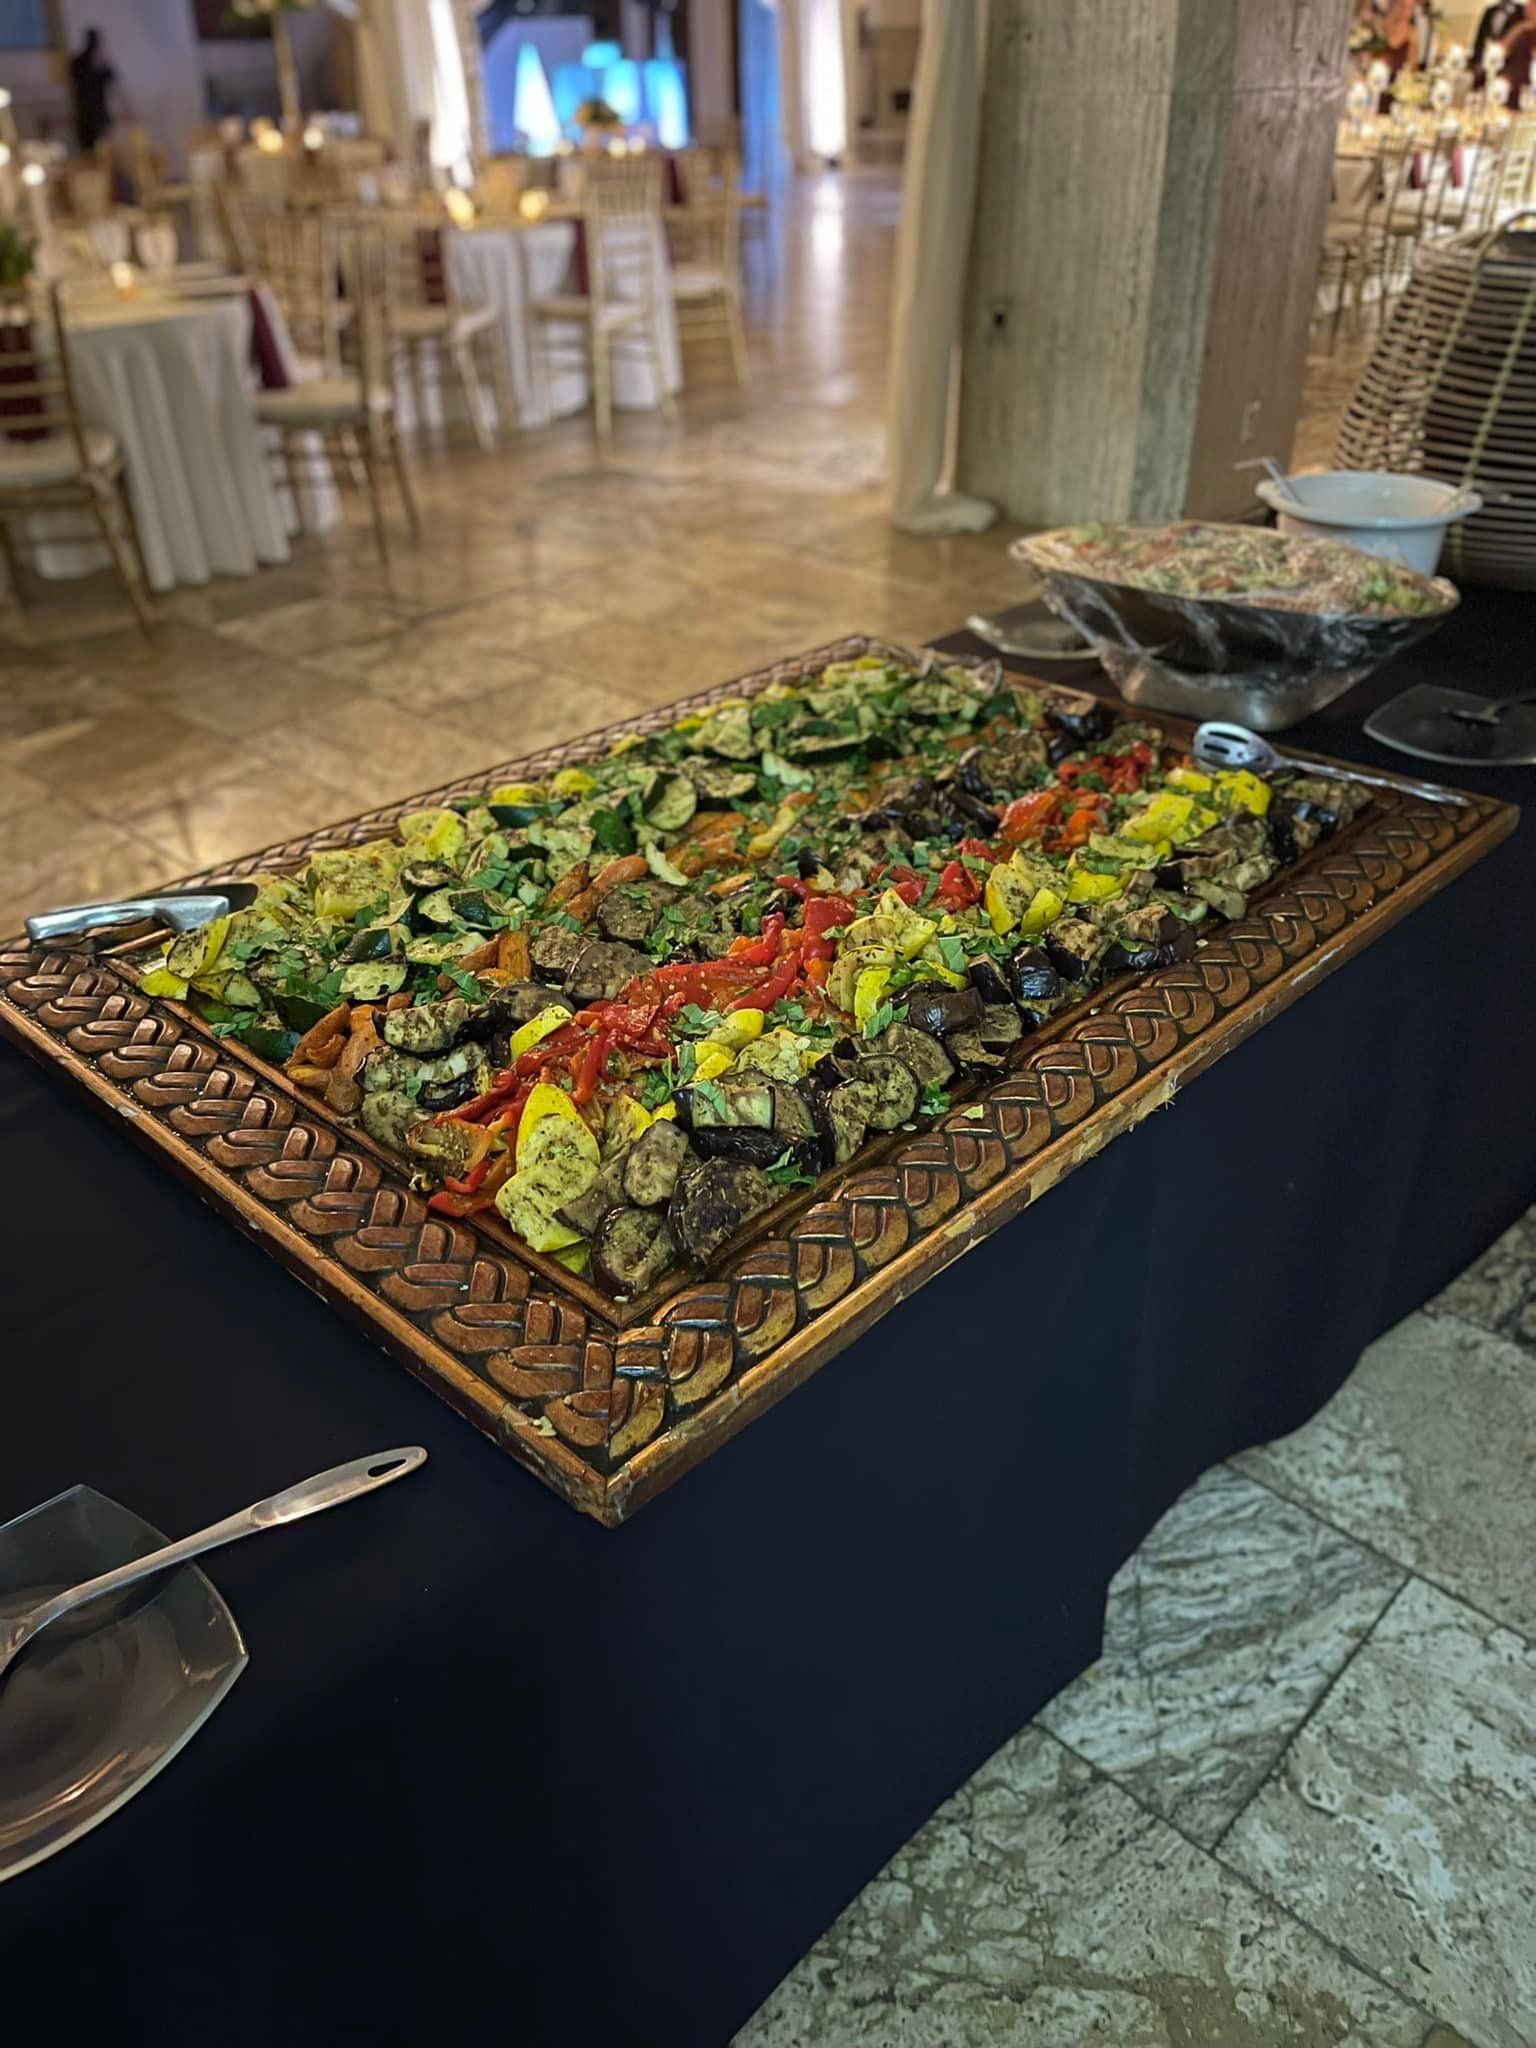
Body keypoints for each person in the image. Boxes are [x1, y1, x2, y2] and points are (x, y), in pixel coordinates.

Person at [68, 27, 115, 153]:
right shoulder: (80, 62)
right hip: (88, 114)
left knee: (102, 150)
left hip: (96, 113)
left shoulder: (97, 61)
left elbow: (111, 78)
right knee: (91, 151)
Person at [1473, 0, 1526, 83]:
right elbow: (1480, 39)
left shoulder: (1521, 11)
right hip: (1487, 63)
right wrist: (1477, 62)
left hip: (1510, 67)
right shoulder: (1490, 10)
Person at [1498, 0, 1536, 100]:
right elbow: (1501, 48)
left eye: (1533, 5)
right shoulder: (1519, 26)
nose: (1529, 8)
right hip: (1510, 79)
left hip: (1529, 83)